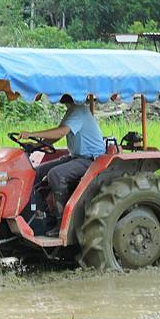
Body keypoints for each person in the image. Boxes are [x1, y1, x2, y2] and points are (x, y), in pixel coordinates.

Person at [20, 95, 104, 237]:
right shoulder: (72, 111)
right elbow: (58, 135)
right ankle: (38, 213)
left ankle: (60, 223)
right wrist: (36, 146)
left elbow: (61, 131)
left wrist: (32, 134)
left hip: (91, 160)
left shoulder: (79, 111)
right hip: (76, 157)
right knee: (37, 172)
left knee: (56, 175)